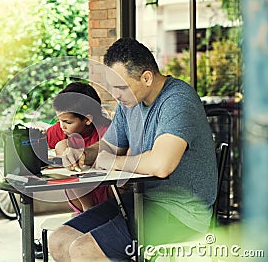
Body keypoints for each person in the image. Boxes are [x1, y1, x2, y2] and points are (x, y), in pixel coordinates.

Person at [48, 38, 218, 261]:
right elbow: (107, 147)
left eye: (120, 87)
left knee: (84, 250)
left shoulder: (178, 101)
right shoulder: (130, 104)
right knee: (60, 240)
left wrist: (113, 162)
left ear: (146, 77)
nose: (116, 95)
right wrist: (84, 154)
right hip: (139, 202)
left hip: (181, 213)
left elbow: (161, 164)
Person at [46, 82, 112, 213]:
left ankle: (90, 212)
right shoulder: (63, 129)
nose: (61, 126)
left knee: (62, 146)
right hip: (80, 199)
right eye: (59, 120)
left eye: (67, 122)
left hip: (106, 193)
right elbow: (38, 142)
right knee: (61, 146)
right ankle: (88, 210)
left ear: (87, 119)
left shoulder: (107, 130)